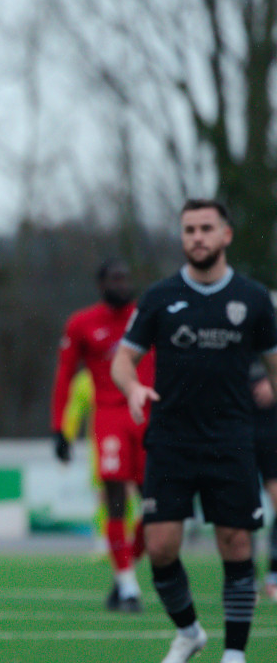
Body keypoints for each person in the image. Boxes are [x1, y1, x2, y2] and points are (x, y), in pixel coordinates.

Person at [112, 199, 277, 663]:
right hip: (170, 439)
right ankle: (189, 633)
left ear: (225, 235)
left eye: (206, 228)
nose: (197, 237)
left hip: (231, 438)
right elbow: (124, 360)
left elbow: (273, 364)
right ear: (182, 238)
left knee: (236, 542)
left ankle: (235, 654)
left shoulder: (253, 298)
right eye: (189, 230)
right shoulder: (160, 297)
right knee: (161, 546)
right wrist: (133, 389)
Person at [50, 258, 154, 611]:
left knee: (157, 507)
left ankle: (124, 573)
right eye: (115, 278)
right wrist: (59, 430)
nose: (122, 284)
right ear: (101, 284)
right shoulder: (82, 323)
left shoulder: (146, 317)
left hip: (147, 417)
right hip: (109, 418)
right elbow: (64, 376)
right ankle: (127, 586)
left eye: (126, 277)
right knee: (115, 500)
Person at [249, 368, 277, 601]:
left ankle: (274, 574)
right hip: (240, 428)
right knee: (243, 505)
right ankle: (247, 577)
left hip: (273, 429)